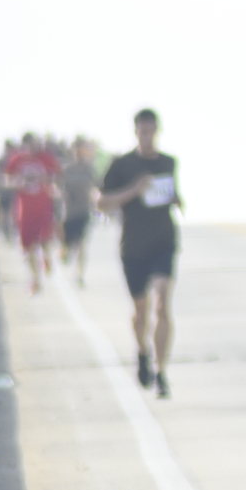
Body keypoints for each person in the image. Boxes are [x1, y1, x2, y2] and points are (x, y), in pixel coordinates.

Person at [99, 109, 182, 398]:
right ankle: (142, 352)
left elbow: (173, 194)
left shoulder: (168, 162)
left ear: (157, 131)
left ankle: (161, 372)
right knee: (141, 311)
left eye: (151, 132)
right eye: (142, 132)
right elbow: (102, 203)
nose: (147, 137)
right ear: (135, 132)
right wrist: (134, 190)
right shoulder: (121, 164)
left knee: (161, 304)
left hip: (163, 241)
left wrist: (176, 199)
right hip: (133, 247)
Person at [4, 132, 61, 293]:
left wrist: (52, 184)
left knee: (44, 239)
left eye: (34, 143)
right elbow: (7, 179)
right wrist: (17, 182)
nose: (32, 148)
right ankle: (35, 280)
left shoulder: (46, 158)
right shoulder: (17, 159)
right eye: (29, 145)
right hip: (24, 209)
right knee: (28, 247)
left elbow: (56, 175)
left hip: (43, 206)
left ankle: (46, 258)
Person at [59, 138, 98, 286]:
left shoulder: (89, 168)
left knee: (82, 243)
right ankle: (64, 253)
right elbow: (56, 187)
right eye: (76, 149)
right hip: (68, 213)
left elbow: (98, 184)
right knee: (67, 246)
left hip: (84, 211)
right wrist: (63, 194)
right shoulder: (66, 169)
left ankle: (80, 275)